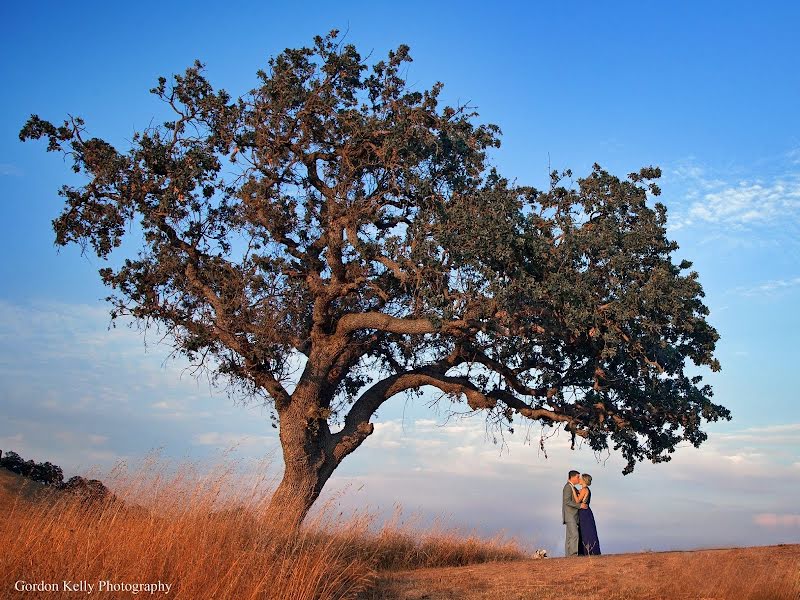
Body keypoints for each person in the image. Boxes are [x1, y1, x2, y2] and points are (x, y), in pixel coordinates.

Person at [573, 473, 602, 555]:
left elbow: (577, 501)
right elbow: (578, 493)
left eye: (581, 479)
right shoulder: (585, 489)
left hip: (584, 513)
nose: (579, 480)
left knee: (586, 532)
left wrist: (573, 491)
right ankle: (589, 551)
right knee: (587, 531)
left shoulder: (584, 490)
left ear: (584, 480)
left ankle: (588, 551)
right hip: (586, 512)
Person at [562, 470, 586, 556]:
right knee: (575, 535)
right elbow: (567, 501)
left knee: (570, 537)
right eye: (577, 477)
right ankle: (573, 555)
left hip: (572, 516)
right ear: (572, 477)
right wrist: (580, 506)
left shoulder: (572, 487)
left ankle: (569, 556)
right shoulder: (568, 487)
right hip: (570, 515)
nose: (579, 479)